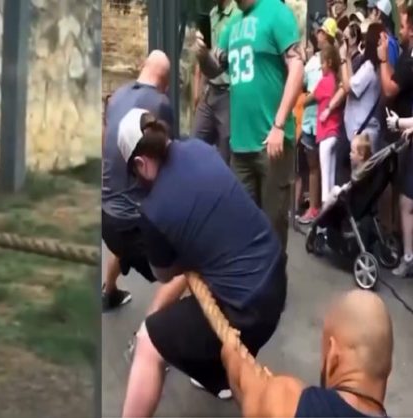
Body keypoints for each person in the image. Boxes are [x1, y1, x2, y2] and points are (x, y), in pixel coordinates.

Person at [117, 108, 287, 417]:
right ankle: (219, 374)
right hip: (275, 277)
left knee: (149, 342)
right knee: (209, 330)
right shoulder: (200, 149)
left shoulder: (153, 211)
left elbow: (166, 273)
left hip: (245, 309)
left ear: (140, 164)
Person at [195, 0, 305, 253]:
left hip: (272, 141)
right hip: (240, 144)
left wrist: (279, 125)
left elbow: (296, 69)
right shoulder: (231, 25)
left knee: (273, 226)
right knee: (242, 224)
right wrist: (202, 56)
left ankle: (273, 287)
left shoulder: (277, 12)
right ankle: (250, 286)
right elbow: (215, 70)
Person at [221, 289, 392, 417]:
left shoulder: (289, 402)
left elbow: (244, 383)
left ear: (333, 356)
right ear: (387, 368)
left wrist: (230, 353)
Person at [101, 50, 174, 310]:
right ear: (165, 83)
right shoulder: (160, 104)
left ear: (143, 67)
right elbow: (169, 159)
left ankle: (109, 293)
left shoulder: (116, 96)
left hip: (106, 219)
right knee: (184, 270)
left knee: (123, 245)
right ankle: (147, 339)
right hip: (133, 226)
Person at [379, 6, 413, 276]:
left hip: (406, 131)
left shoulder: (410, 59)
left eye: (404, 26)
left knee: (407, 201)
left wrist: (382, 60)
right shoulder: (406, 55)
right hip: (407, 134)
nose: (400, 31)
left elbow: (390, 87)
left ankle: (409, 257)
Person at [192, 0, 241, 165]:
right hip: (210, 90)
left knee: (225, 155)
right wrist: (198, 89)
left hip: (229, 93)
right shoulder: (213, 13)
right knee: (195, 146)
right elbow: (208, 57)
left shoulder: (238, 14)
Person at [298, 18, 337, 224]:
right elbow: (302, 83)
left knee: (326, 168)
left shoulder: (334, 63)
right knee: (313, 166)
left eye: (322, 32)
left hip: (326, 123)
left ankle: (325, 211)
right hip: (310, 122)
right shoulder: (313, 61)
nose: (318, 35)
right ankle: (314, 207)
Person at [328, 23, 385, 152]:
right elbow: (353, 81)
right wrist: (347, 57)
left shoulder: (369, 68)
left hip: (362, 134)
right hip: (363, 131)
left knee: (360, 171)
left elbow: (348, 87)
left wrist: (342, 59)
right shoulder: (375, 67)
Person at [307, 43, 342, 206]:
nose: (320, 67)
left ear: (328, 62)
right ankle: (331, 221)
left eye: (322, 63)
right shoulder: (336, 80)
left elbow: (310, 98)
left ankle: (324, 225)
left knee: (325, 181)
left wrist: (299, 100)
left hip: (325, 134)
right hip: (335, 132)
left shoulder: (324, 82)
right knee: (332, 178)